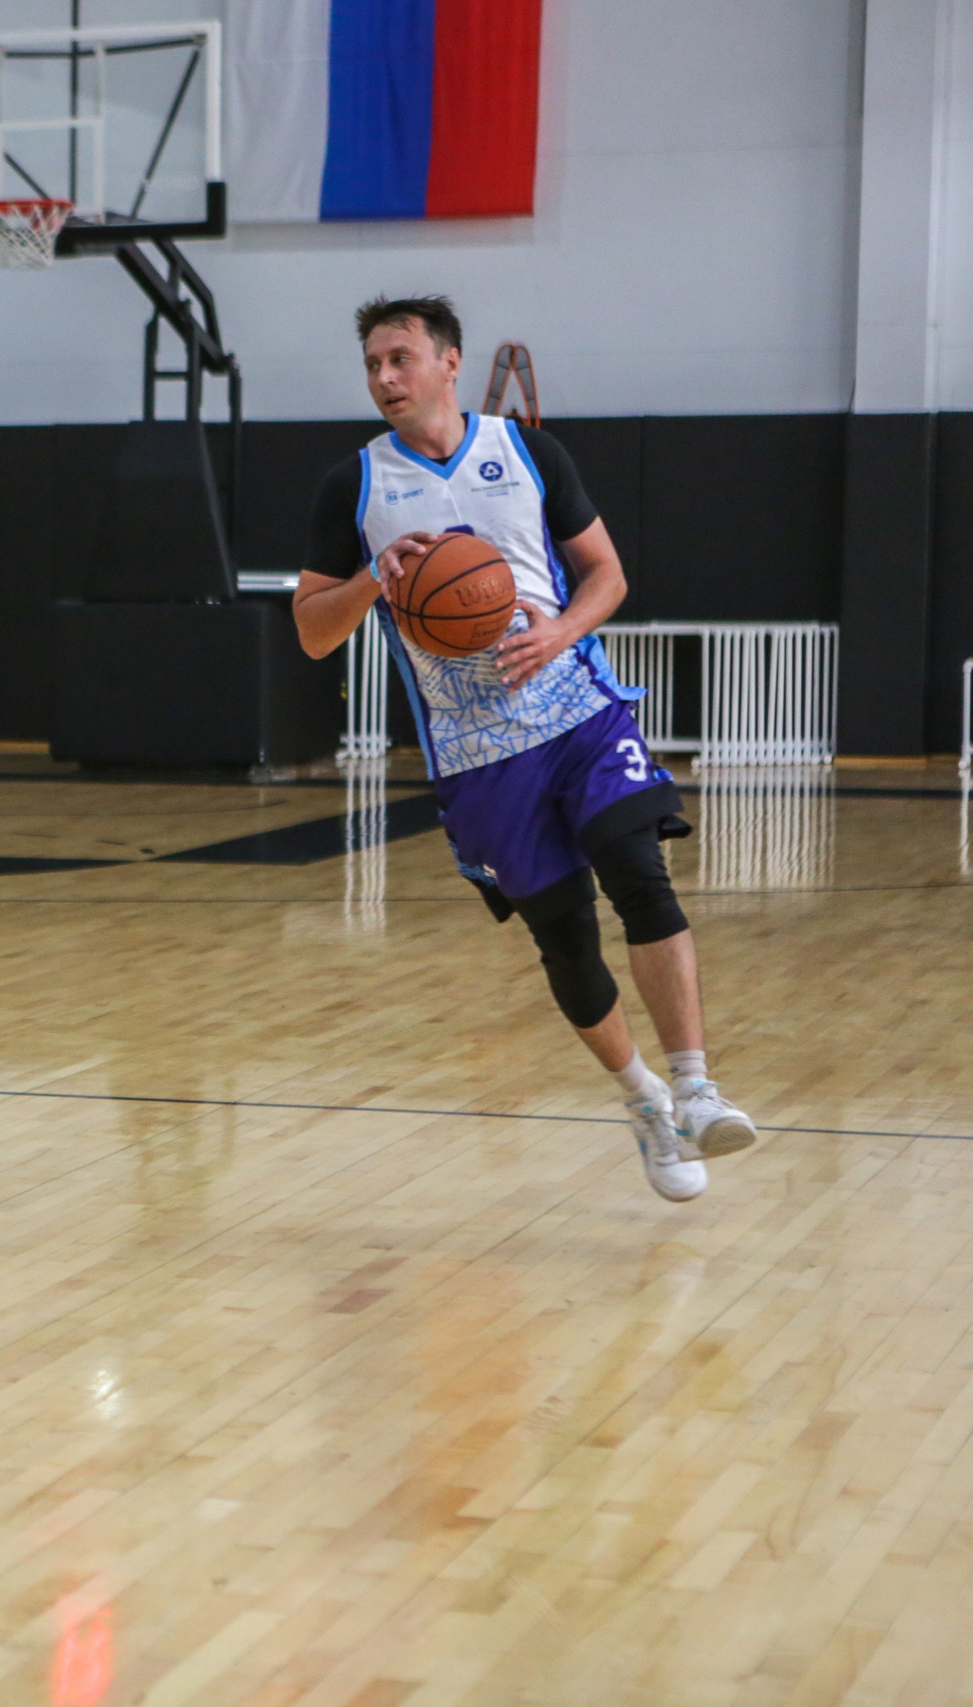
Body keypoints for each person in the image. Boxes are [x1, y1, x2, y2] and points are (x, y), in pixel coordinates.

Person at [292, 294, 758, 1203]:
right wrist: (374, 579)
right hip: (475, 752)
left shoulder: (529, 452)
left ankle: (698, 1086)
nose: (384, 377)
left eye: (400, 358)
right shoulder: (354, 485)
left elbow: (606, 575)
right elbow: (312, 633)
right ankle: (645, 1099)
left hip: (577, 710)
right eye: (373, 364)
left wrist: (560, 632)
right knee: (567, 939)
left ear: (449, 362)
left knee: (639, 873)